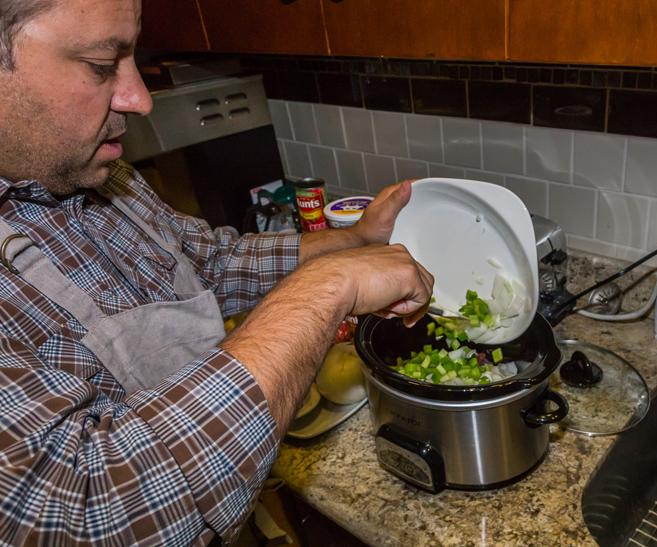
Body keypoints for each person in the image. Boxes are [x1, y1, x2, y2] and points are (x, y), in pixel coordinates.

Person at [0, 0, 434, 544]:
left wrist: (352, 240)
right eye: (101, 65)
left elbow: (206, 261)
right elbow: (90, 511)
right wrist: (328, 287)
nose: (139, 98)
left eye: (135, 56)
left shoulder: (100, 175)